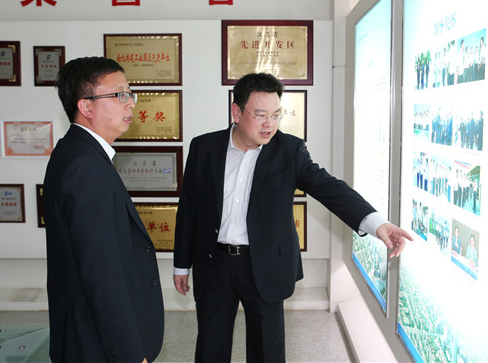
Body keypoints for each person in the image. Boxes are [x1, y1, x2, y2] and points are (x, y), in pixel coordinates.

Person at [173, 72, 413, 362]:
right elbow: (189, 207)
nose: (269, 124)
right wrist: (181, 264)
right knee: (211, 347)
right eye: (260, 115)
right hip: (214, 264)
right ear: (236, 112)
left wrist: (376, 223)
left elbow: (329, 188)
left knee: (267, 351)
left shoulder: (289, 150)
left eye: (276, 115)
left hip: (264, 265)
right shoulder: (204, 147)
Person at [43, 57, 164, 363]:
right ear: (86, 106)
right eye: (120, 95)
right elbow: (101, 273)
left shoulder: (79, 153)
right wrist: (129, 354)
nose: (130, 103)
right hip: (94, 342)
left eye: (130, 94)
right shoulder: (84, 166)